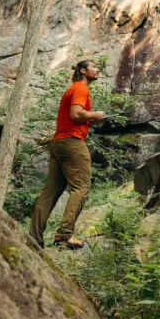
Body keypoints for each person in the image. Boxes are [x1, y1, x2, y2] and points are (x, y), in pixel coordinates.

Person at [30, 59, 105, 249]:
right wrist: (94, 115)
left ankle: (34, 237)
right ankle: (64, 235)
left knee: (50, 192)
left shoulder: (73, 89)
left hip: (58, 143)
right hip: (72, 143)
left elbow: (76, 117)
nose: (97, 69)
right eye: (94, 67)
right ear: (83, 70)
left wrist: (90, 120)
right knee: (82, 187)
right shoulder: (81, 88)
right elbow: (76, 114)